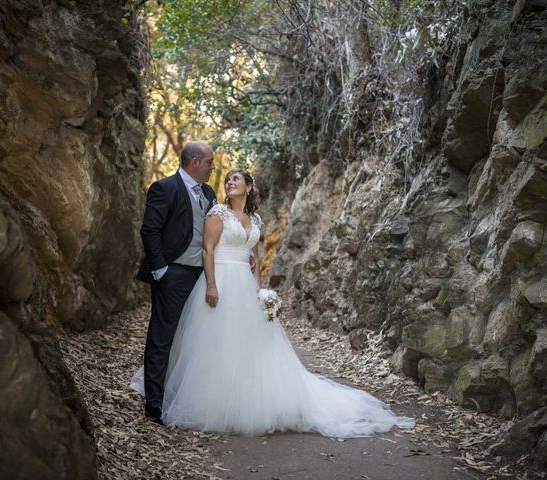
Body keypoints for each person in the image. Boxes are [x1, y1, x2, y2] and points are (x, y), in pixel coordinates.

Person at [132, 168, 415, 437]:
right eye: (227, 179)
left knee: (249, 344)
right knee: (216, 343)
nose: (230, 183)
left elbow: (252, 257)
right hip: (220, 281)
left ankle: (247, 399)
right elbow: (207, 250)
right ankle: (209, 401)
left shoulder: (255, 220)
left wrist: (260, 292)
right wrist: (213, 285)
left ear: (249, 187)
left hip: (244, 284)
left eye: (236, 179)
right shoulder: (217, 213)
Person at [135, 141, 217, 423]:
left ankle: (184, 398)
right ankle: (154, 405)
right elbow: (150, 230)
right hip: (174, 274)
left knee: (195, 339)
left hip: (201, 276)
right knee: (162, 338)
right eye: (209, 162)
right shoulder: (164, 188)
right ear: (194, 162)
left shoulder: (209, 192)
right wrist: (161, 272)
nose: (212, 167)